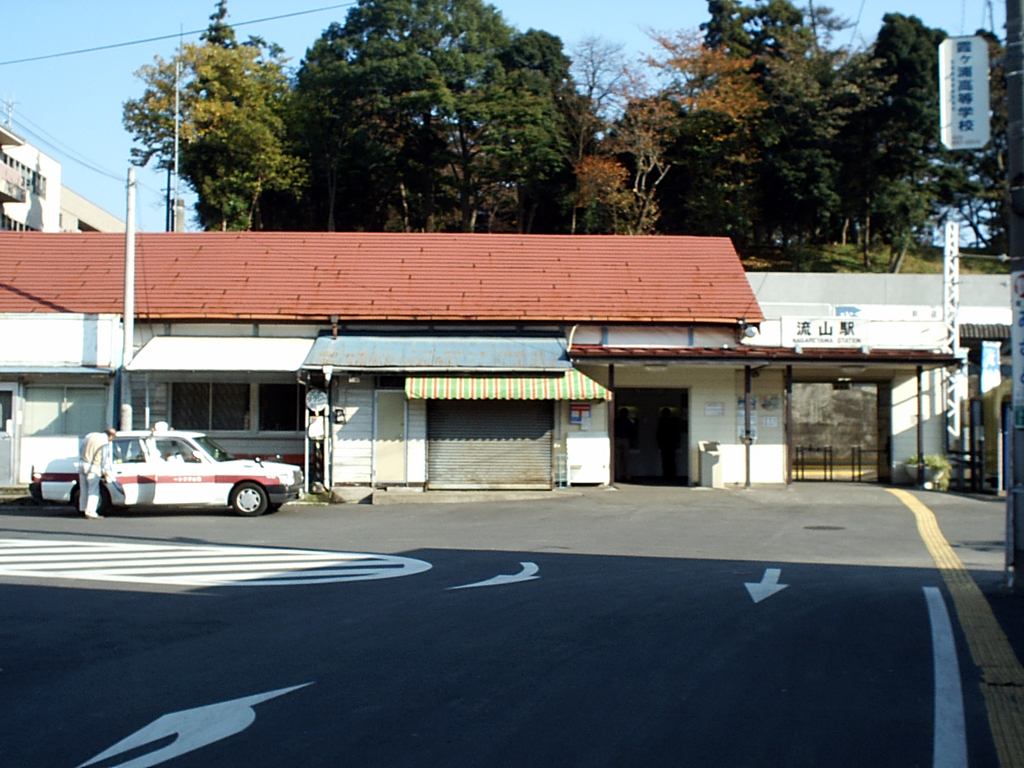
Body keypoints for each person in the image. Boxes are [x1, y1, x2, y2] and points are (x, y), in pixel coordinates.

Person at [78, 428, 116, 519]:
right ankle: (91, 511)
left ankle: (82, 508)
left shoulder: (90, 435)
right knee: (93, 490)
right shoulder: (104, 442)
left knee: (84, 489)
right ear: (110, 436)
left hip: (82, 463)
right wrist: (104, 470)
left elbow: (81, 447)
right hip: (94, 467)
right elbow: (103, 458)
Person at [656, 408, 680, 480]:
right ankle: (672, 474)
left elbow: (658, 433)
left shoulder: (661, 421)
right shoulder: (673, 421)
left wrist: (659, 442)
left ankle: (665, 474)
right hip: (671, 443)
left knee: (664, 459)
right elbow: (676, 433)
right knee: (671, 459)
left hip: (663, 443)